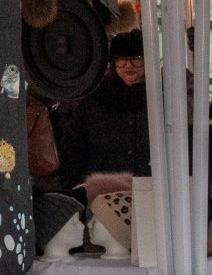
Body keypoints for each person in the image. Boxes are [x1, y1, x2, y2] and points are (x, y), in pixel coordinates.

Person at [59, 30, 152, 192]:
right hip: (103, 191)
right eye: (121, 60)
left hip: (151, 189)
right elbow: (73, 146)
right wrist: (76, 185)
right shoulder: (96, 99)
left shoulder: (160, 98)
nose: (128, 65)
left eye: (136, 59)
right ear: (113, 62)